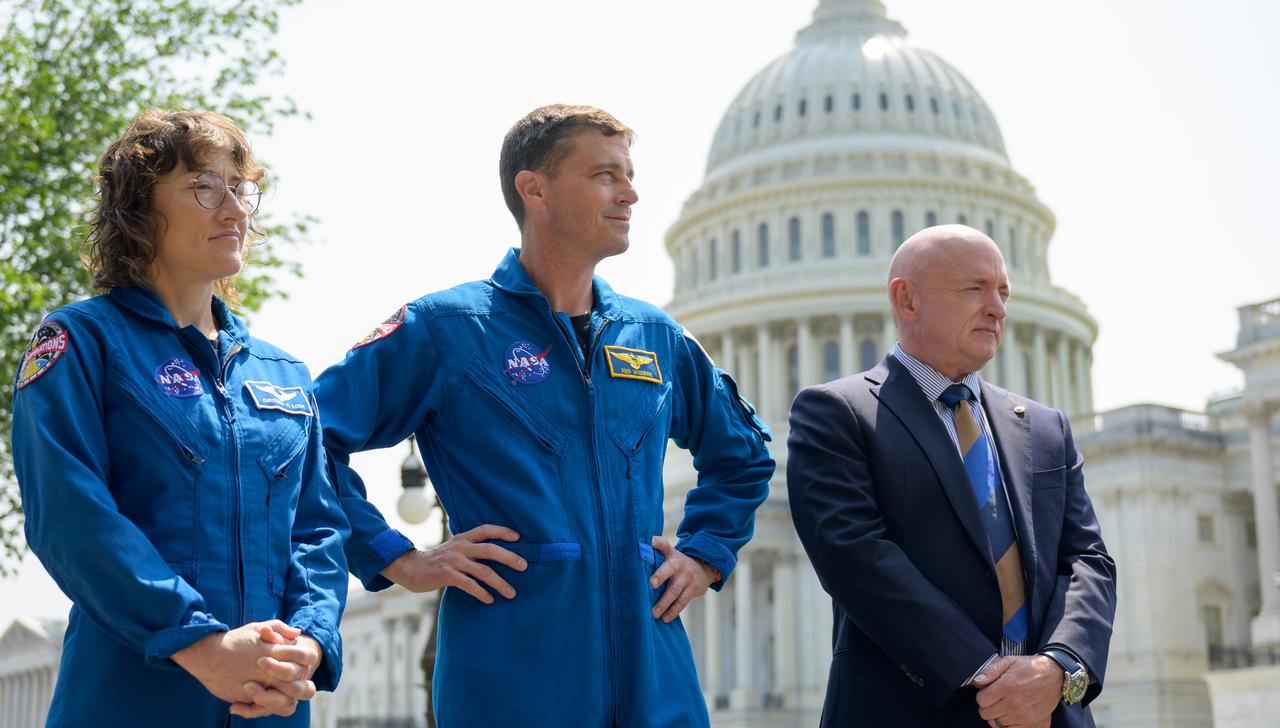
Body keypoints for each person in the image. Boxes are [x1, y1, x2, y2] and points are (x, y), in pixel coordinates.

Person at [314, 104, 776, 727]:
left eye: (630, 174)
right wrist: (395, 556)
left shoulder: (654, 336)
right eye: (606, 175)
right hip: (511, 684)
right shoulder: (446, 329)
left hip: (658, 680)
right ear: (534, 189)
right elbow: (304, 437)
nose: (631, 193)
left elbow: (744, 454)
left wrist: (705, 552)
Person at [11, 109, 350, 726]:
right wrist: (197, 642)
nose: (236, 210)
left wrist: (308, 642)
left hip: (270, 705)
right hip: (129, 700)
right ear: (137, 211)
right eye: (204, 187)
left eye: (241, 189)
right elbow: (69, 514)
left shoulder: (285, 375)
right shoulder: (80, 342)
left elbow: (319, 529)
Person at [786, 225, 1117, 727]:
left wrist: (1056, 669)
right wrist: (993, 679)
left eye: (1002, 292)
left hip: (1048, 713)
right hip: (909, 711)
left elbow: (1088, 560)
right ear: (907, 299)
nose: (998, 308)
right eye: (975, 289)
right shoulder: (837, 413)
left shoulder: (1046, 427)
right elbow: (856, 558)